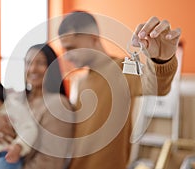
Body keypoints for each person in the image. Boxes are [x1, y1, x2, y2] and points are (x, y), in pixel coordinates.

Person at [57, 11, 180, 169]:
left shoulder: (123, 68)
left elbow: (156, 85)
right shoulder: (79, 82)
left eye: (71, 48)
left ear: (93, 38)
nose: (66, 56)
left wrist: (162, 59)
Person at [0, 44, 74, 169]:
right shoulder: (16, 99)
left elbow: (49, 163)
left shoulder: (57, 105)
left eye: (40, 63)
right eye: (29, 63)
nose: (33, 69)